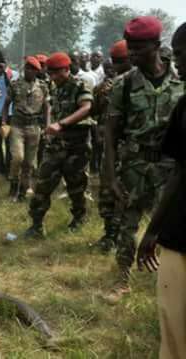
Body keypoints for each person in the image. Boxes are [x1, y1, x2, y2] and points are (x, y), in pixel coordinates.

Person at [104, 16, 184, 303]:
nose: (132, 54)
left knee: (172, 224)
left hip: (170, 166)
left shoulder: (180, 81)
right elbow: (110, 135)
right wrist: (111, 177)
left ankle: (168, 279)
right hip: (134, 165)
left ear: (156, 46)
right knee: (127, 224)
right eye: (130, 48)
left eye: (138, 48)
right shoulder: (123, 85)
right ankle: (122, 279)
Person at [136, 23, 186, 359]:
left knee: (176, 330)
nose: (177, 62)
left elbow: (181, 173)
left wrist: (153, 230)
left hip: (182, 236)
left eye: (181, 55)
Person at [25, 52, 94, 239]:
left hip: (76, 145)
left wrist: (62, 124)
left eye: (56, 73)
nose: (52, 77)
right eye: (50, 73)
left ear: (66, 69)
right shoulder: (56, 88)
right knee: (42, 184)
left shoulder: (80, 85)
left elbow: (87, 108)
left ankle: (79, 218)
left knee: (76, 186)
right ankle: (36, 225)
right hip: (56, 146)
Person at [92, 40, 132, 253]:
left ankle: (120, 237)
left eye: (119, 62)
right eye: (113, 63)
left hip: (130, 148)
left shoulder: (135, 83)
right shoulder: (107, 85)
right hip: (110, 146)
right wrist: (101, 93)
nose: (115, 67)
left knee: (124, 193)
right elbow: (95, 111)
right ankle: (109, 235)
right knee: (107, 190)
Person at [2, 56, 50, 202]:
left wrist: (47, 126)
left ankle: (22, 192)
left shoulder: (42, 86)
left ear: (37, 71)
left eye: (33, 69)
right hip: (17, 125)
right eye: (27, 68)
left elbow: (47, 108)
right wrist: (4, 122)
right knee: (17, 157)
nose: (29, 71)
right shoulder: (15, 85)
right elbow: (6, 105)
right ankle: (13, 185)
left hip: (34, 126)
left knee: (29, 163)